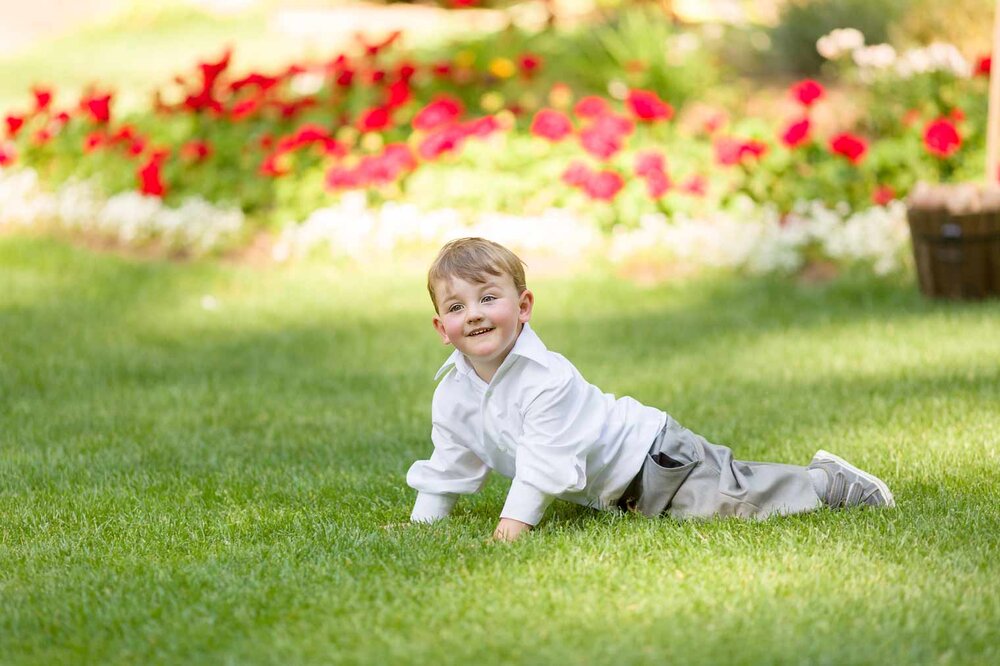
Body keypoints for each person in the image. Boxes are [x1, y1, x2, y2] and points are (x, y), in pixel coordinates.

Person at [407, 237, 895, 542]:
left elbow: (543, 463)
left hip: (654, 456)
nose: (472, 314)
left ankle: (829, 482)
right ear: (440, 326)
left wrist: (512, 527)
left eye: (488, 298)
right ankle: (815, 481)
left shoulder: (545, 379)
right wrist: (424, 523)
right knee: (713, 506)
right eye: (456, 307)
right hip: (623, 489)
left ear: (524, 306)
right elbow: (453, 460)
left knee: (734, 502)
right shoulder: (452, 394)